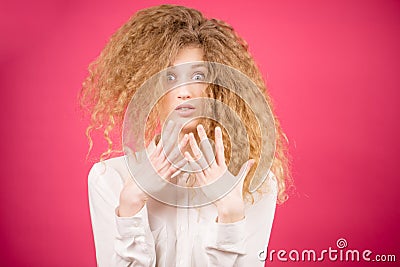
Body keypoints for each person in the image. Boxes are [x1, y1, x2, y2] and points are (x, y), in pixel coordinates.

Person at [80, 4, 290, 267]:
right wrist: (131, 205)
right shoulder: (110, 178)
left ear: (216, 85)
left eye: (198, 75)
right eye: (169, 77)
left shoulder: (253, 184)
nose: (184, 91)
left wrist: (231, 214)